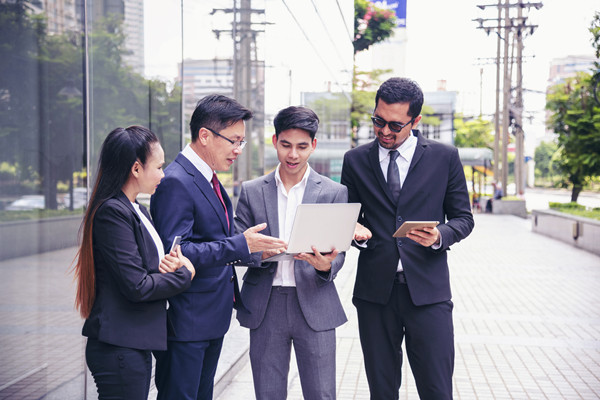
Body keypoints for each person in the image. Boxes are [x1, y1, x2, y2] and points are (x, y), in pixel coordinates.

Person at [340, 77, 474, 400]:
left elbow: (464, 219)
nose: (385, 131)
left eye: (395, 125)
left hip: (428, 294)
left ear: (415, 121)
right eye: (378, 121)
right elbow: (347, 219)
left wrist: (440, 235)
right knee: (382, 393)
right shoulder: (355, 161)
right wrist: (354, 233)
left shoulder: (445, 157)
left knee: (437, 391)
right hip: (375, 296)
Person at [150, 94, 287, 400]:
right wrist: (240, 245)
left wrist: (252, 250)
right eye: (233, 141)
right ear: (205, 136)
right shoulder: (177, 181)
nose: (238, 150)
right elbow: (177, 252)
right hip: (187, 319)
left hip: (209, 316)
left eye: (242, 142)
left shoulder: (206, 177)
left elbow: (211, 241)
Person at [235, 106, 360, 400]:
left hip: (314, 302)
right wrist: (261, 253)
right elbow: (238, 246)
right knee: (268, 394)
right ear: (275, 140)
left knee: (321, 394)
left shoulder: (333, 191)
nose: (293, 155)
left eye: (302, 147)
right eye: (286, 145)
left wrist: (326, 266)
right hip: (266, 306)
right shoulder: (252, 191)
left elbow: (338, 250)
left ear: (313, 146)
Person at [73, 126, 196, 400]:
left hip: (132, 344)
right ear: (137, 169)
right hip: (118, 347)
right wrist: (184, 274)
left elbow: (146, 270)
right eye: (159, 167)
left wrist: (169, 265)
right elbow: (137, 285)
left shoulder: (137, 209)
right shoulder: (112, 212)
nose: (164, 174)